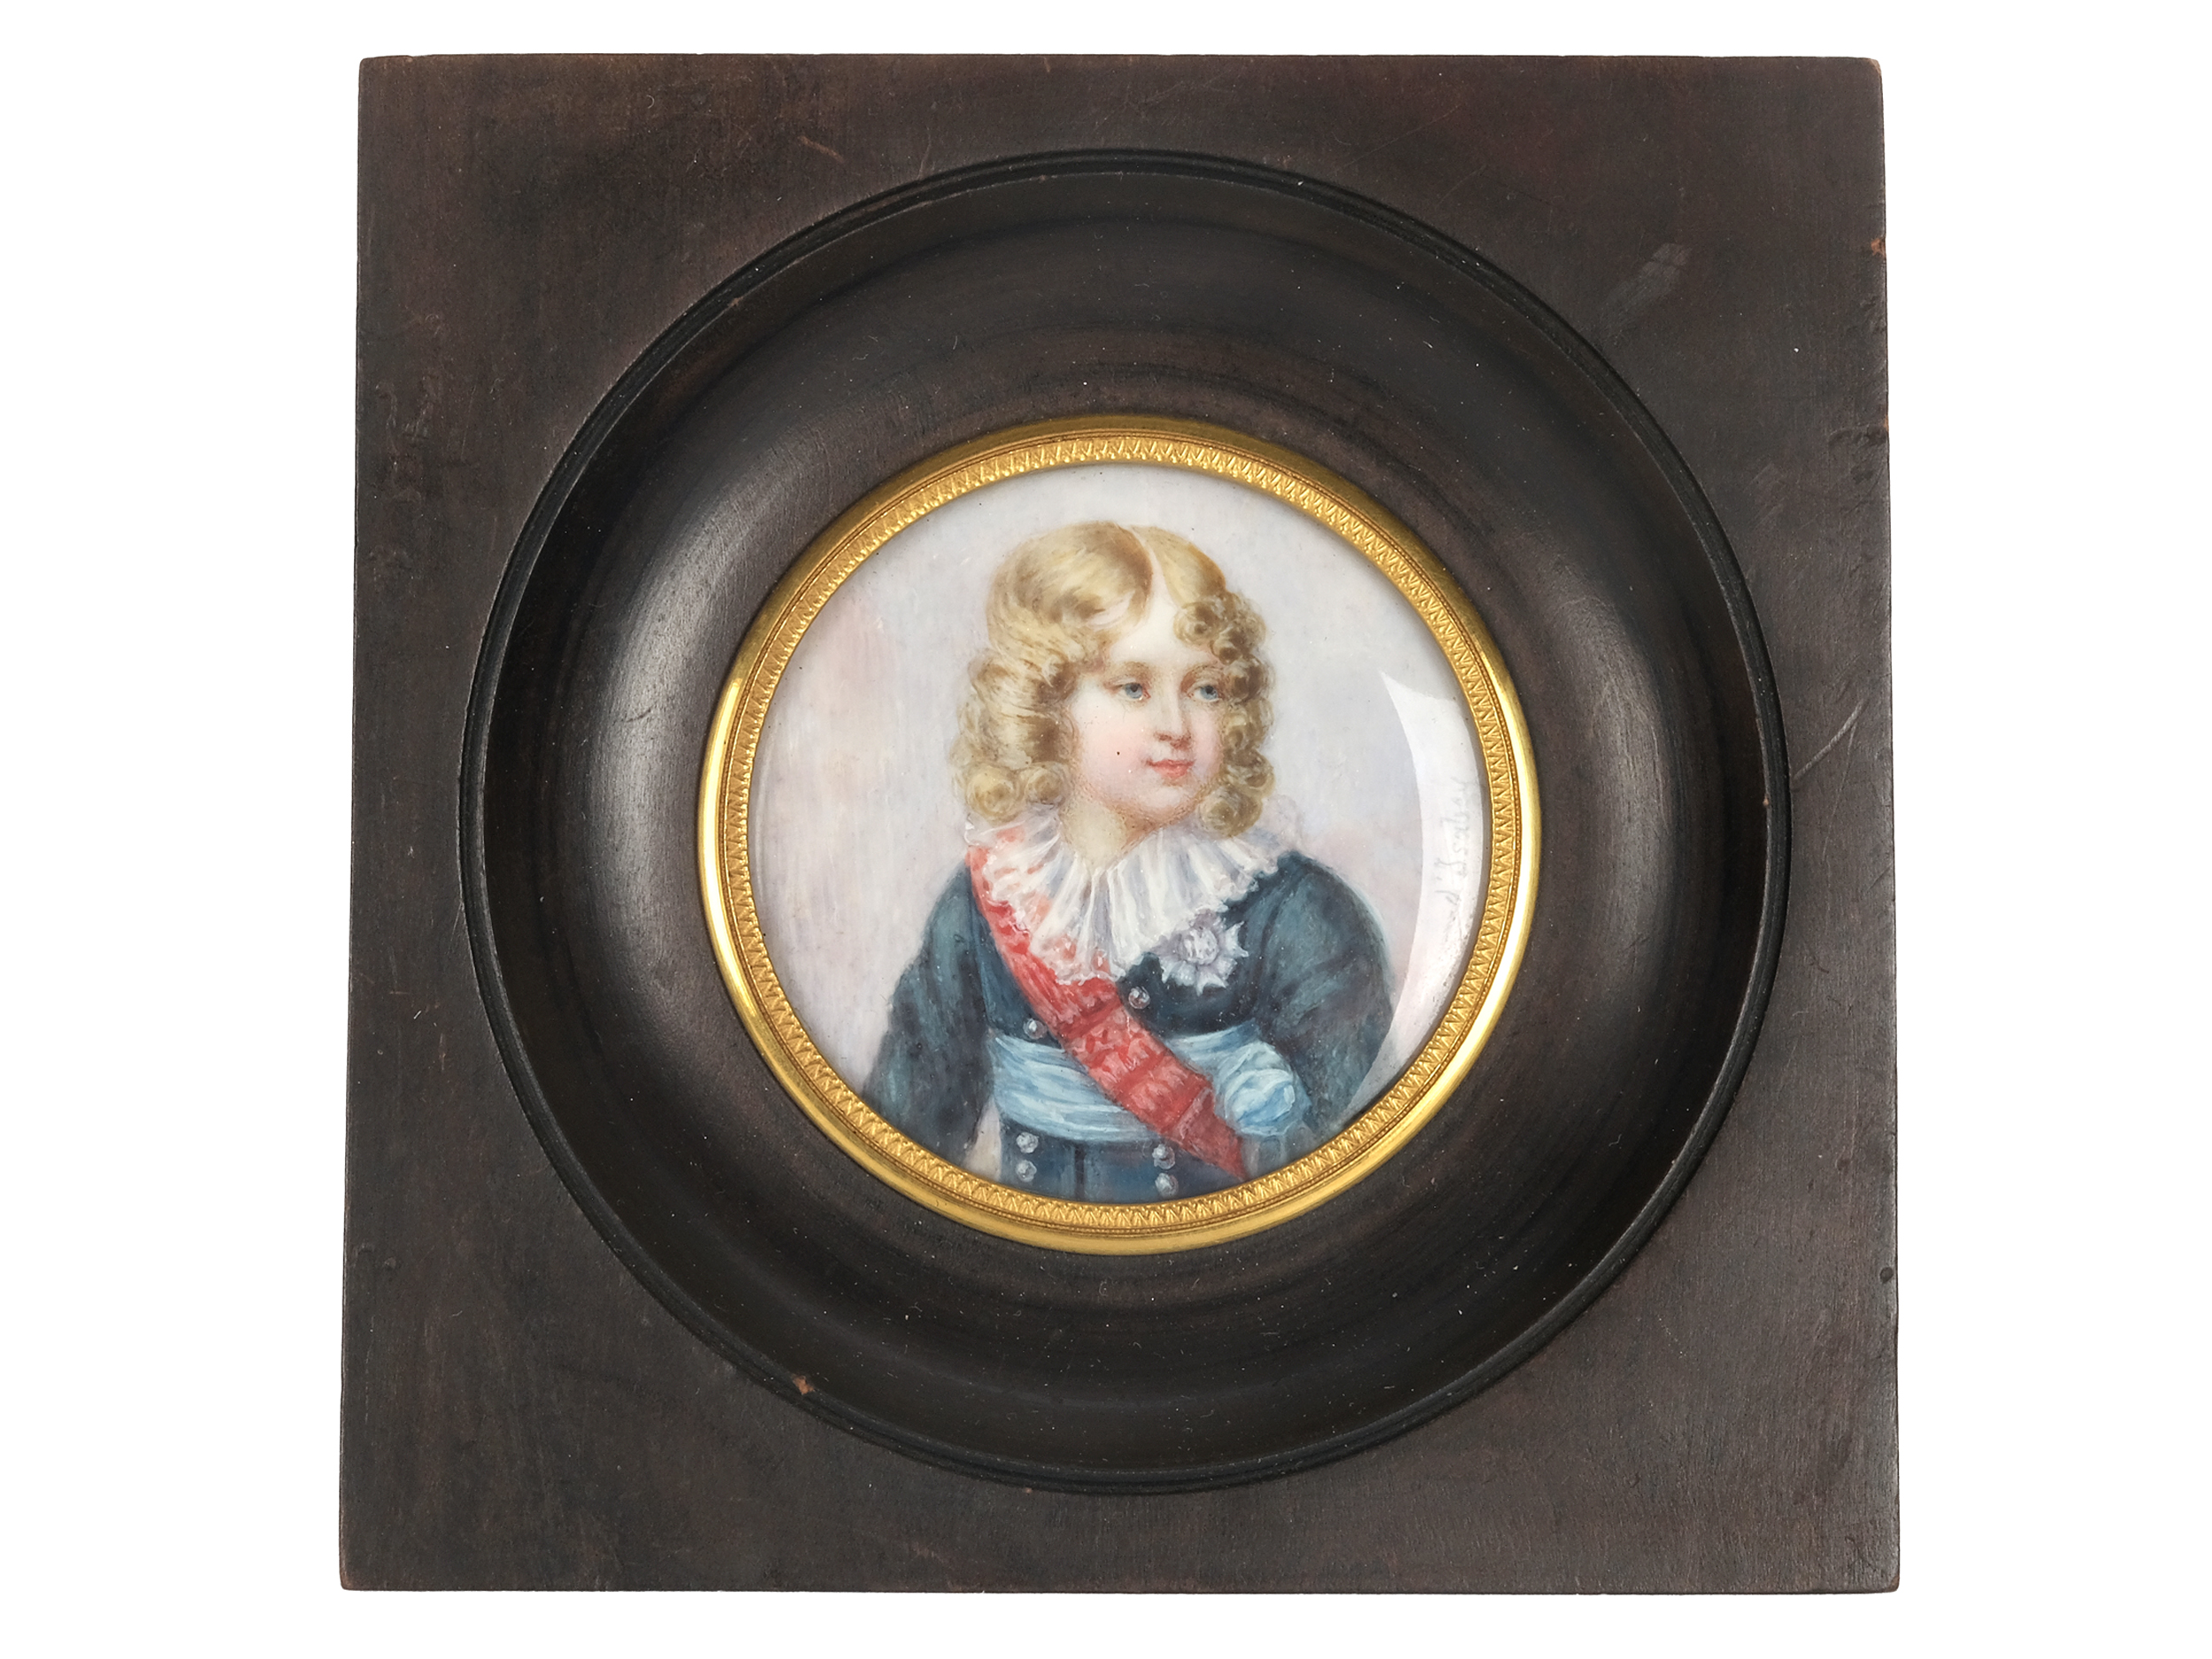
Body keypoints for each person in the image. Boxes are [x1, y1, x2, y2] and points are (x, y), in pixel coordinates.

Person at [865, 521, 1391, 1204]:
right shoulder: (985, 898)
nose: (1176, 724)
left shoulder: (1301, 912)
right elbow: (905, 1132)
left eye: (1206, 688)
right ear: (1046, 705)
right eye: (1133, 687)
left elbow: (1359, 1161)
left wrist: (1279, 1119)